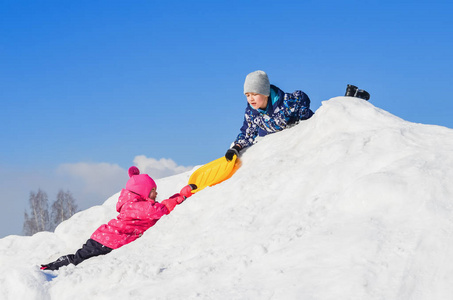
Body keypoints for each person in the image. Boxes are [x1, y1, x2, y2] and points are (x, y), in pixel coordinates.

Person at [40, 166, 196, 271]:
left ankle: (54, 266)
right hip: (105, 241)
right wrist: (179, 197)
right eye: (153, 190)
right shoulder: (136, 206)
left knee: (80, 258)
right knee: (78, 260)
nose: (156, 194)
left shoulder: (135, 204)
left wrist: (176, 198)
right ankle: (52, 267)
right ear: (142, 192)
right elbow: (157, 211)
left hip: (104, 239)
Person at [225, 70, 314, 161]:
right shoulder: (252, 113)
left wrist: (300, 119)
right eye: (247, 95)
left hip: (299, 140)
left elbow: (301, 98)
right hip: (275, 145)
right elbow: (247, 133)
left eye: (255, 94)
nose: (251, 99)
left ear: (265, 94)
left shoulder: (285, 103)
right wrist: (236, 147)